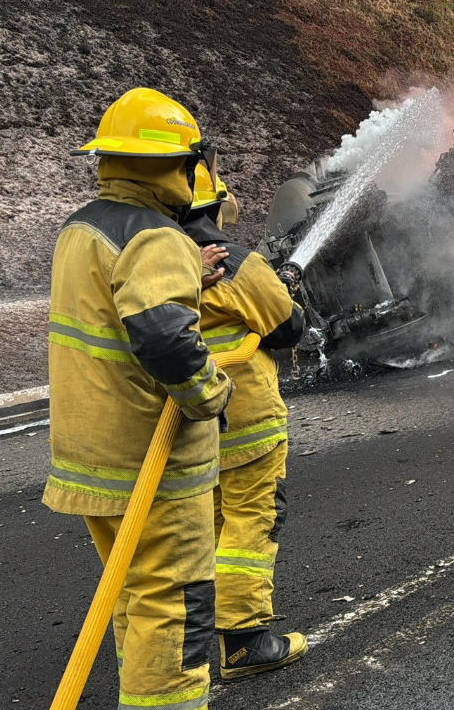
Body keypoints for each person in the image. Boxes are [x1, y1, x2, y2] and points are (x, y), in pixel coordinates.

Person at [47, 88, 233, 709]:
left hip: (89, 452)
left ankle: (140, 696)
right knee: (174, 606)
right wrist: (210, 391)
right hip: (147, 463)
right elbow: (162, 336)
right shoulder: (158, 236)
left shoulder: (83, 227)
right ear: (180, 165)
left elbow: (118, 307)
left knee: (132, 594)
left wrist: (189, 279)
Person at [184, 165, 308, 680]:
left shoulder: (155, 261)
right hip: (247, 422)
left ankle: (195, 640)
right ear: (216, 209)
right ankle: (246, 643)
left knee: (207, 525)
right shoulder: (235, 262)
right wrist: (282, 289)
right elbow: (288, 327)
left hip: (187, 422)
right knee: (250, 521)